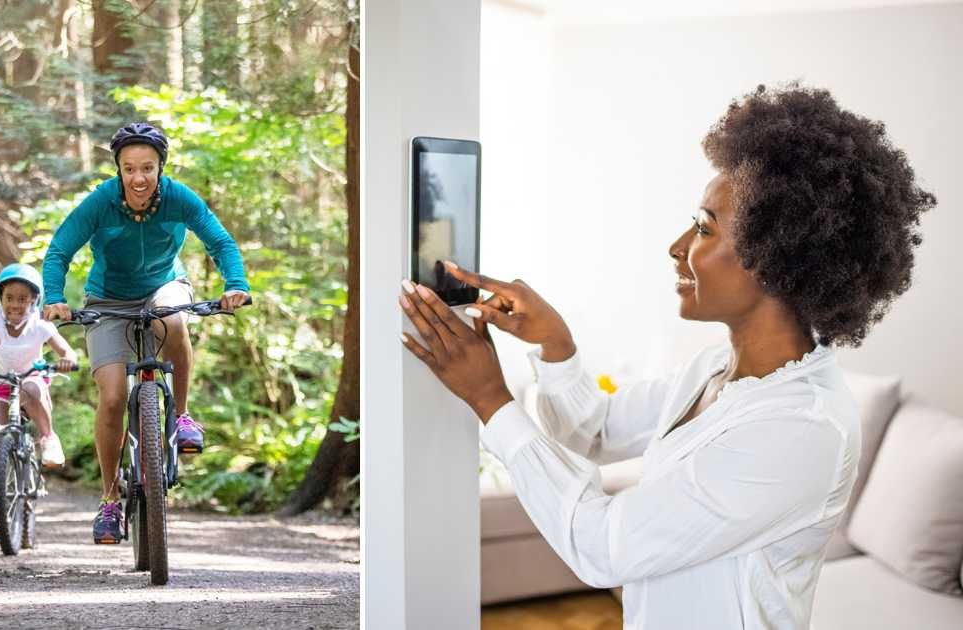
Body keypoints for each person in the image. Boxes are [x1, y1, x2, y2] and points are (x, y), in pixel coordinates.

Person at [399, 84, 935, 629]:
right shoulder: (715, 371)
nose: (678, 246)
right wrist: (555, 345)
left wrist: (492, 400)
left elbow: (604, 546)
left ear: (775, 257)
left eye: (703, 228)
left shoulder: (800, 427)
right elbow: (595, 432)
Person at [41, 122, 250, 544]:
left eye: (148, 168)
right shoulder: (101, 202)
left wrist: (236, 284)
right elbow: (61, 249)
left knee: (172, 318)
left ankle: (183, 415)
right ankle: (109, 500)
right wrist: (55, 297)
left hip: (163, 288)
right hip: (107, 300)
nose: (139, 178)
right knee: (114, 395)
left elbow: (220, 242)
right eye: (130, 168)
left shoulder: (177, 198)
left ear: (160, 169)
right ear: (118, 169)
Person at [0, 263, 78, 536]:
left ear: (34, 300)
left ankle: (48, 438)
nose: (15, 304)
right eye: (9, 298)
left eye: (23, 299)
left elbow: (66, 350)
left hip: (31, 381)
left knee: (32, 390)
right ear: (1, 298)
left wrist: (67, 359)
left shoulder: (40, 325)